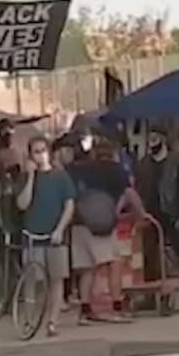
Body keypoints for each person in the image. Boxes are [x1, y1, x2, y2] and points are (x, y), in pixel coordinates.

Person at [15, 136, 76, 336]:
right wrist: (31, 177)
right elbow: (22, 204)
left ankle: (52, 321)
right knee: (33, 280)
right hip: (32, 237)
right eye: (36, 151)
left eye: (43, 150)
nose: (40, 155)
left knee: (56, 279)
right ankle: (30, 319)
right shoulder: (25, 177)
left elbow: (69, 204)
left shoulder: (60, 176)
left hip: (55, 236)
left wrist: (60, 229)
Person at [68, 138, 133, 323]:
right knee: (114, 262)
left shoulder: (80, 170)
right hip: (101, 225)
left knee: (88, 268)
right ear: (113, 153)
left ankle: (85, 311)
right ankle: (117, 306)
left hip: (79, 222)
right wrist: (118, 211)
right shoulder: (116, 170)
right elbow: (128, 194)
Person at [136, 132, 179, 278]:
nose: (151, 143)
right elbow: (140, 188)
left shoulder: (176, 161)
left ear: (163, 140)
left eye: (154, 139)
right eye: (150, 140)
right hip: (150, 212)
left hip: (172, 212)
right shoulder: (144, 163)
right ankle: (153, 286)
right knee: (149, 251)